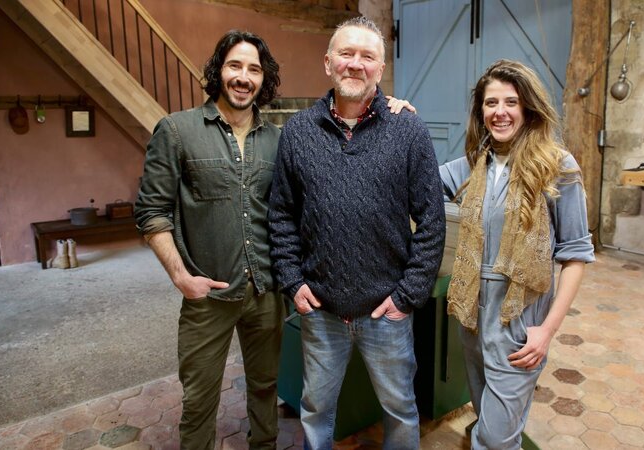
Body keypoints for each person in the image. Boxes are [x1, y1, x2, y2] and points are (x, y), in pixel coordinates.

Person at [135, 30, 415, 449]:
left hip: (266, 294)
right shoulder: (177, 132)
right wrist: (180, 277)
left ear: (264, 80)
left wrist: (394, 108)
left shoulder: (280, 139)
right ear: (218, 71)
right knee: (199, 399)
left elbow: (290, 213)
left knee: (265, 389)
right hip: (208, 295)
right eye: (235, 66)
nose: (243, 77)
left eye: (254, 69)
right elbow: (150, 212)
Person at [268, 16, 446, 450]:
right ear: (328, 63)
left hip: (386, 311)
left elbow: (432, 221)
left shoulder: (408, 130)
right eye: (346, 54)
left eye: (367, 56)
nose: (355, 64)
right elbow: (281, 215)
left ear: (380, 69)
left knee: (401, 409)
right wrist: (292, 282)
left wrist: (407, 296)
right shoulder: (298, 132)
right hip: (322, 310)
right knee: (315, 409)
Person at [439, 59, 595, 450]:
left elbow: (575, 256)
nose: (500, 112)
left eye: (511, 101)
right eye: (491, 103)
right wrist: (398, 118)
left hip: (519, 320)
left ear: (527, 107)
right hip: (473, 318)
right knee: (487, 414)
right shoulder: (474, 165)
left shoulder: (557, 166)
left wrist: (547, 331)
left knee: (493, 437)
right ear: (481, 111)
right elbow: (416, 179)